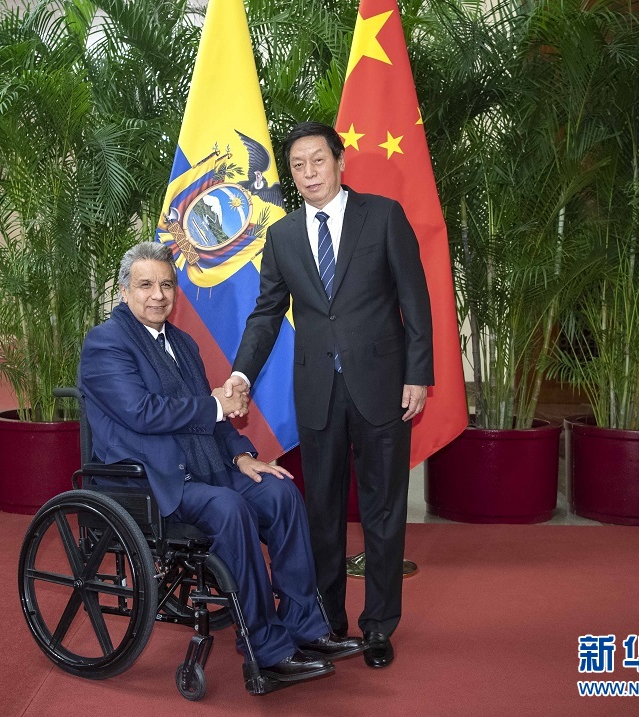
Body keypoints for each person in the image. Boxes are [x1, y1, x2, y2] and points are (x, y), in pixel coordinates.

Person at [78, 242, 365, 691]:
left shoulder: (182, 343)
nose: (158, 295)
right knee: (230, 509)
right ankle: (266, 650)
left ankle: (306, 626)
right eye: (145, 285)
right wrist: (215, 405)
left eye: (166, 285)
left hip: (208, 467)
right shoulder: (105, 343)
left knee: (281, 492)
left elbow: (213, 417)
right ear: (124, 291)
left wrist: (242, 455)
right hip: (151, 479)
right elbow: (141, 412)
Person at [226, 121, 433, 669]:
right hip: (317, 391)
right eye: (298, 165)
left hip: (382, 387)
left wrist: (418, 374)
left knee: (383, 509)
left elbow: (415, 299)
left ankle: (379, 625)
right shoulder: (283, 236)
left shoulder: (382, 216)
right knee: (321, 511)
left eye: (318, 160)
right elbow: (266, 314)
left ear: (340, 162)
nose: (309, 172)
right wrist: (241, 374)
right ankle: (327, 621)